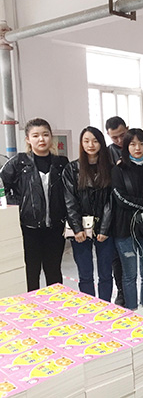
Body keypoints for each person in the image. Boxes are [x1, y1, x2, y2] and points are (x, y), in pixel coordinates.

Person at [0, 118, 69, 291]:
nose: (41, 139)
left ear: (51, 137)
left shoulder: (61, 163)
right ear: (28, 139)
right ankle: (33, 307)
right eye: (36, 135)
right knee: (31, 273)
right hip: (28, 229)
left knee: (54, 273)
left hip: (55, 228)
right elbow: (2, 186)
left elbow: (70, 193)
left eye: (45, 134)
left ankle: (56, 305)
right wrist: (18, 204)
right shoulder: (19, 162)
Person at [62, 127, 114, 301]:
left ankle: (105, 306)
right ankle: (89, 307)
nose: (91, 145)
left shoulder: (111, 169)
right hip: (81, 229)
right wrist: (77, 228)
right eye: (86, 141)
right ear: (81, 143)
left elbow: (111, 201)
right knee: (85, 274)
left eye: (95, 141)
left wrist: (104, 229)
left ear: (102, 143)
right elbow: (70, 201)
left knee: (106, 273)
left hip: (105, 228)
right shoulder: (72, 169)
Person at [111, 129, 143, 310]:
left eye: (141, 144)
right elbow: (120, 198)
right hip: (124, 228)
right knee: (129, 275)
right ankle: (131, 311)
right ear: (126, 147)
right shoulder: (118, 170)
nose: (137, 148)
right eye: (132, 144)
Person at [105, 116, 128, 306]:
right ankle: (121, 291)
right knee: (117, 257)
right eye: (115, 138)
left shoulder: (138, 145)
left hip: (141, 210)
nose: (119, 140)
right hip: (115, 212)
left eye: (122, 135)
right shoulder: (106, 154)